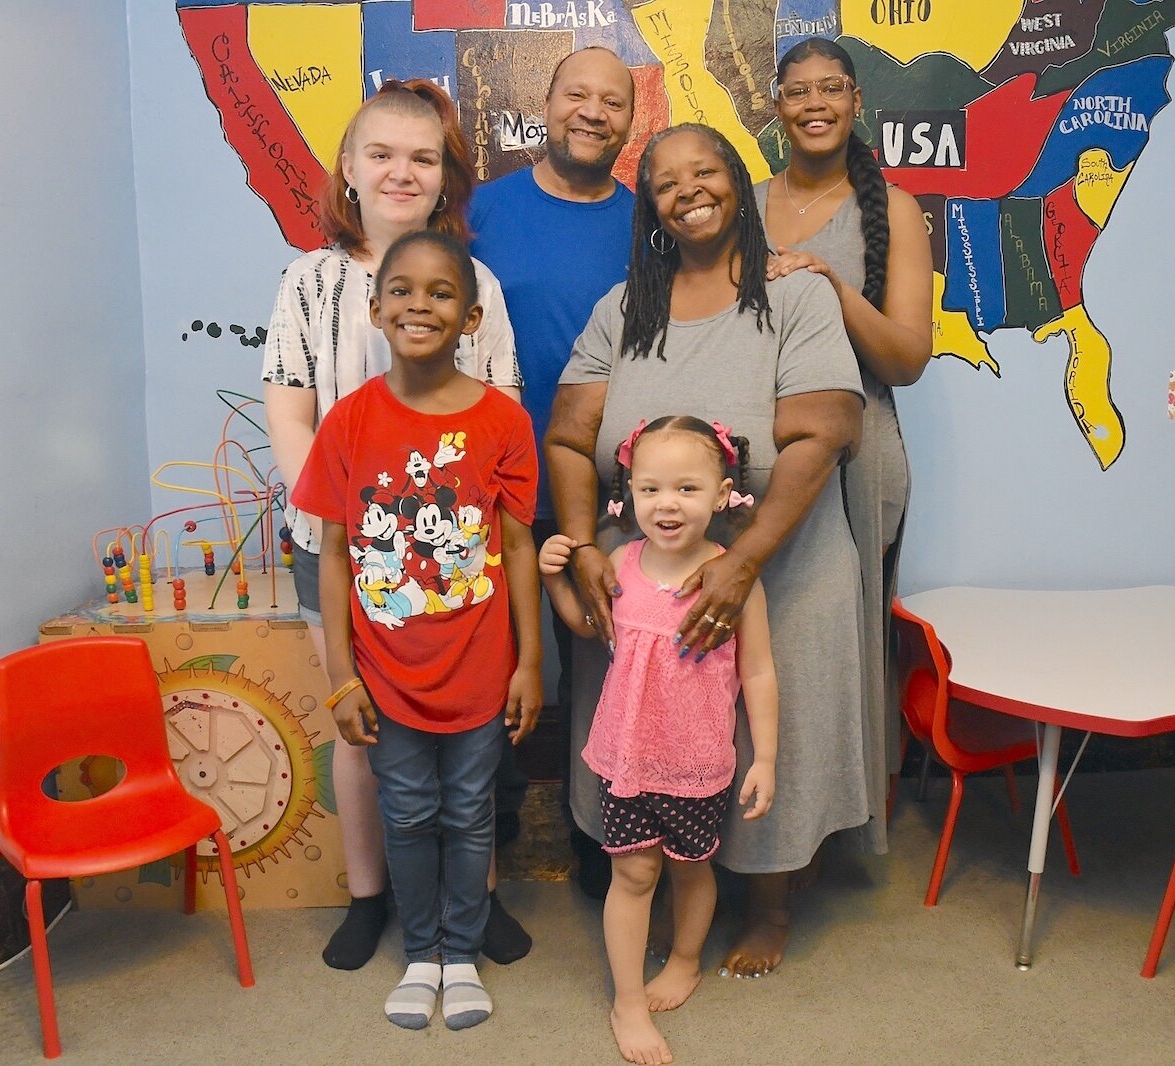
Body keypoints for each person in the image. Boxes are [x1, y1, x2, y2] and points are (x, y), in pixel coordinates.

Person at [546, 123, 866, 982]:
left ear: (738, 182)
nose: (689, 190)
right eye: (665, 181)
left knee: (769, 721)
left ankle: (768, 903)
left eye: (707, 171)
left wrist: (745, 561)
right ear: (647, 206)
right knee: (657, 731)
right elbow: (572, 439)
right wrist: (580, 546)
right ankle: (650, 879)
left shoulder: (792, 296)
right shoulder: (623, 308)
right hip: (643, 577)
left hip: (780, 563)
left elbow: (823, 430)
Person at [262, 79, 532, 970]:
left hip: (456, 561)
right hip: (342, 548)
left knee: (468, 736)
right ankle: (369, 895)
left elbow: (499, 416)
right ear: (349, 167)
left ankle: (476, 896)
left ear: (445, 174)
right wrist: (351, 519)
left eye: (421, 157)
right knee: (364, 728)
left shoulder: (477, 281)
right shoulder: (310, 280)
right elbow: (291, 413)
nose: (399, 172)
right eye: (380, 153)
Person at [291, 229, 542, 1031]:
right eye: (401, 291)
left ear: (471, 318)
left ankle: (461, 954)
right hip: (384, 670)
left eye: (440, 293)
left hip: (479, 663)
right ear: (374, 310)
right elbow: (333, 557)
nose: (419, 305)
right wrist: (340, 674)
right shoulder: (349, 422)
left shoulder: (503, 421)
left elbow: (515, 545)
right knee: (404, 811)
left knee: (468, 811)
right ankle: (422, 955)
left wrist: (530, 662)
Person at [539, 417, 778, 1065]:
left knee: (691, 869)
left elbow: (757, 670)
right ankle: (628, 1002)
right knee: (633, 872)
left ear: (723, 493)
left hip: (698, 765)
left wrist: (768, 760)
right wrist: (555, 580)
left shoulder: (731, 576)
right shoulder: (621, 561)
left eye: (685, 488)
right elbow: (590, 630)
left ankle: (685, 959)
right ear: (630, 495)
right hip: (626, 759)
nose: (666, 504)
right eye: (649, 490)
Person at [756, 38, 935, 867]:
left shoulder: (891, 208)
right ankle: (765, 820)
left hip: (861, 453)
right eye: (799, 91)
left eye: (831, 89)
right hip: (764, 452)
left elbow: (904, 358)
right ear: (776, 104)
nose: (815, 103)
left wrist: (828, 288)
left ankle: (844, 829)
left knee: (846, 647)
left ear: (856, 102)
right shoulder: (747, 202)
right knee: (765, 640)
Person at [469, 45, 637, 895]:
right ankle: (485, 854)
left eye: (613, 101)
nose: (593, 112)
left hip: (601, 492)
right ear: (548, 101)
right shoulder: (479, 212)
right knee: (492, 667)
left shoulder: (649, 221)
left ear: (628, 122)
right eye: (578, 94)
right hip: (490, 486)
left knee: (599, 666)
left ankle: (596, 839)